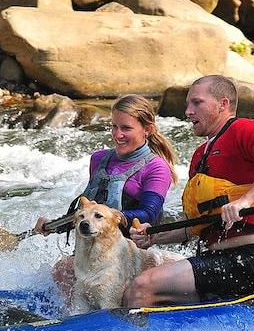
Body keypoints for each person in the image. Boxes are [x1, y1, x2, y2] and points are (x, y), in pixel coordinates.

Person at [125, 75, 254, 307]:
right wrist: (155, 235)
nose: (188, 111)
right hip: (215, 260)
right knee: (140, 291)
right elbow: (197, 226)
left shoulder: (244, 129)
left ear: (223, 104)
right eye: (188, 104)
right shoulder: (200, 155)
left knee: (143, 286)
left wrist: (245, 201)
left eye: (197, 103)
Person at [34, 94, 178, 294]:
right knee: (62, 270)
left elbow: (149, 214)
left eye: (126, 128)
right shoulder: (99, 159)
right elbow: (87, 212)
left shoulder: (157, 168)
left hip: (131, 254)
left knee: (65, 269)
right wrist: (53, 225)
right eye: (114, 126)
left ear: (148, 129)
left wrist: (109, 214)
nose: (117, 135)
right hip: (92, 252)